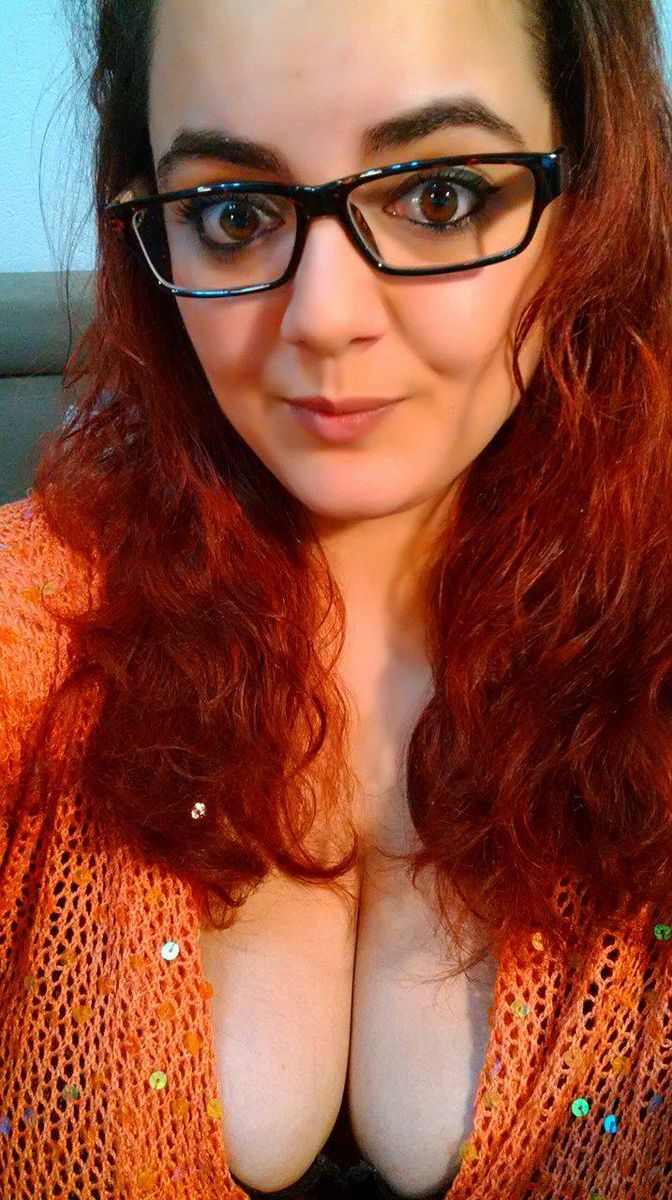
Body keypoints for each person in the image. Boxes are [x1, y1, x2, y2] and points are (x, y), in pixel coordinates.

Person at [0, 0, 670, 1197]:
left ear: (591, 197)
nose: (324, 320)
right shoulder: (39, 621)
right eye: (233, 213)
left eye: (440, 197)